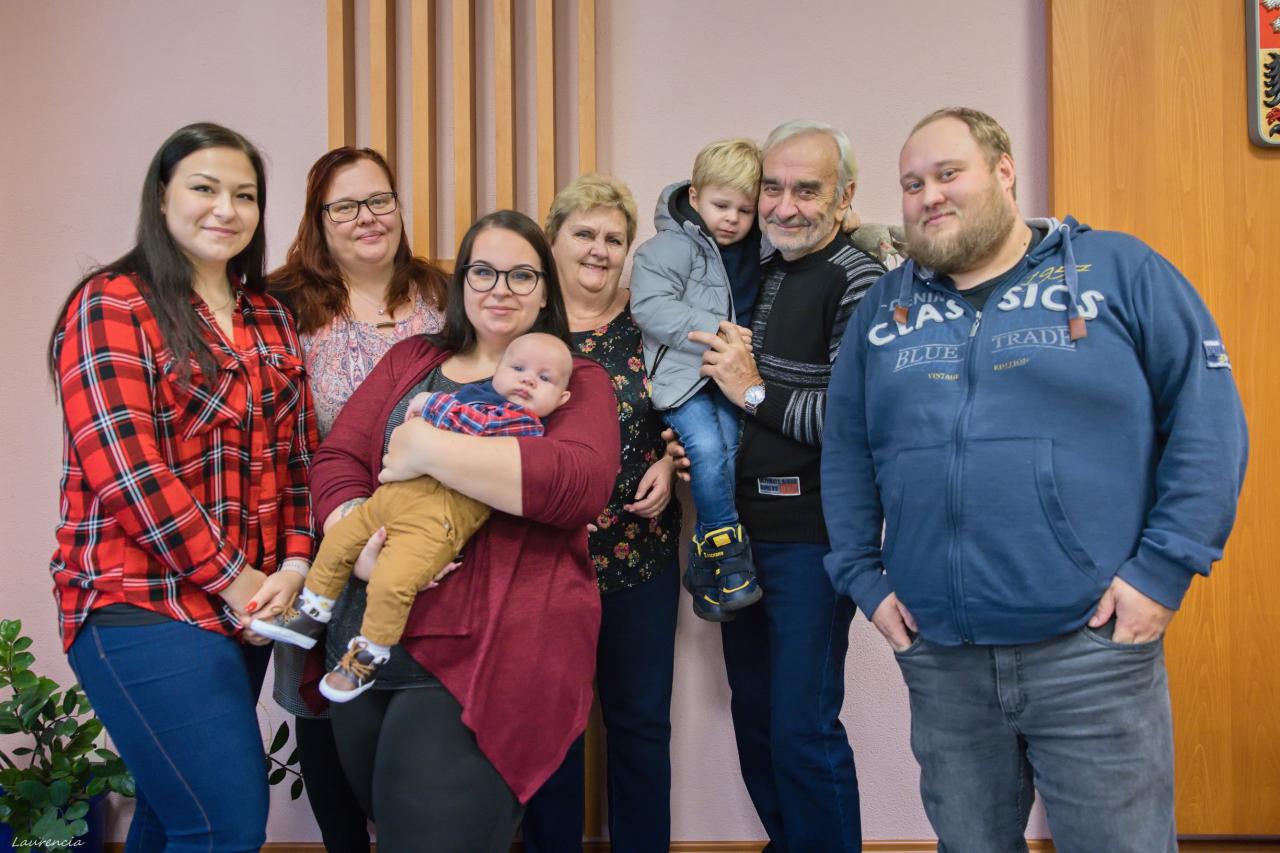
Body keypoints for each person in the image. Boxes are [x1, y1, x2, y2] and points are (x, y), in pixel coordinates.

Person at [822, 107, 1248, 853]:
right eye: (913, 184)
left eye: (948, 173)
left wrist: (1161, 573)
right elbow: (847, 448)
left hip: (1090, 652)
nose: (929, 196)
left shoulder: (1119, 271)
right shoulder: (885, 311)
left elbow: (1207, 419)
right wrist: (862, 575)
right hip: (943, 658)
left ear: (1004, 171)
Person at [307, 209, 619, 853]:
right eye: (483, 271)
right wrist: (356, 540)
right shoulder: (413, 359)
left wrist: (427, 448)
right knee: (389, 826)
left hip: (486, 651)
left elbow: (575, 484)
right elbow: (339, 457)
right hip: (365, 636)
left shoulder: (574, 379)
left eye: (522, 275)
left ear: (546, 289)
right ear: (463, 282)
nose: (500, 289)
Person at [47, 122, 316, 853]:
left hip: (246, 605)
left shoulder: (268, 315)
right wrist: (238, 580)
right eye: (205, 188)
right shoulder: (111, 304)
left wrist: (292, 567)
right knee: (227, 825)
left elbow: (297, 460)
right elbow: (128, 473)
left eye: (245, 195)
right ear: (162, 198)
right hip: (136, 600)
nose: (226, 208)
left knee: (175, 819)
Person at [691, 119, 884, 852]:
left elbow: (852, 419)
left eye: (807, 190)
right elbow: (686, 205)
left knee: (803, 725)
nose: (783, 206)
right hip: (737, 536)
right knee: (758, 719)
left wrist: (750, 392)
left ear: (844, 198)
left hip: (813, 537)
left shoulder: (858, 278)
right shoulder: (757, 266)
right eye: (771, 187)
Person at [265, 145, 447, 852]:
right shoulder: (283, 307)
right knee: (324, 708)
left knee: (421, 714)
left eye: (379, 200)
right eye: (345, 206)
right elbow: (273, 440)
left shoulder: (445, 295)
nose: (367, 217)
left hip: (434, 545)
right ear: (319, 220)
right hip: (324, 541)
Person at [255, 332, 573, 702]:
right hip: (392, 496)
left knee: (393, 581)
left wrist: (428, 405)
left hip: (439, 517)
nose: (528, 379)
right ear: (498, 370)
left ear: (561, 398)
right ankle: (312, 610)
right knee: (339, 541)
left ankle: (369, 654)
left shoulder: (524, 425)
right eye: (518, 368)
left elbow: (478, 427)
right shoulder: (472, 394)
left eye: (544, 378)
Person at [520, 174, 682, 853]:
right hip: (542, 562)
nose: (599, 249)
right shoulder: (522, 325)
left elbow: (691, 410)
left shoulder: (652, 322)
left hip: (640, 556)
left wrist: (670, 460)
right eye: (584, 234)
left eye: (614, 239)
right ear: (552, 240)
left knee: (641, 726)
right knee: (550, 731)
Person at [630, 138, 764, 621]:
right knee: (706, 448)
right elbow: (649, 308)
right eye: (721, 205)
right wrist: (718, 331)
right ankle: (727, 546)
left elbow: (805, 234)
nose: (731, 219)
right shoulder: (666, 248)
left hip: (726, 377)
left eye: (744, 210)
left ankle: (707, 563)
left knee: (730, 451)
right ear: (694, 195)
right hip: (682, 379)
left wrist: (848, 222)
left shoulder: (758, 245)